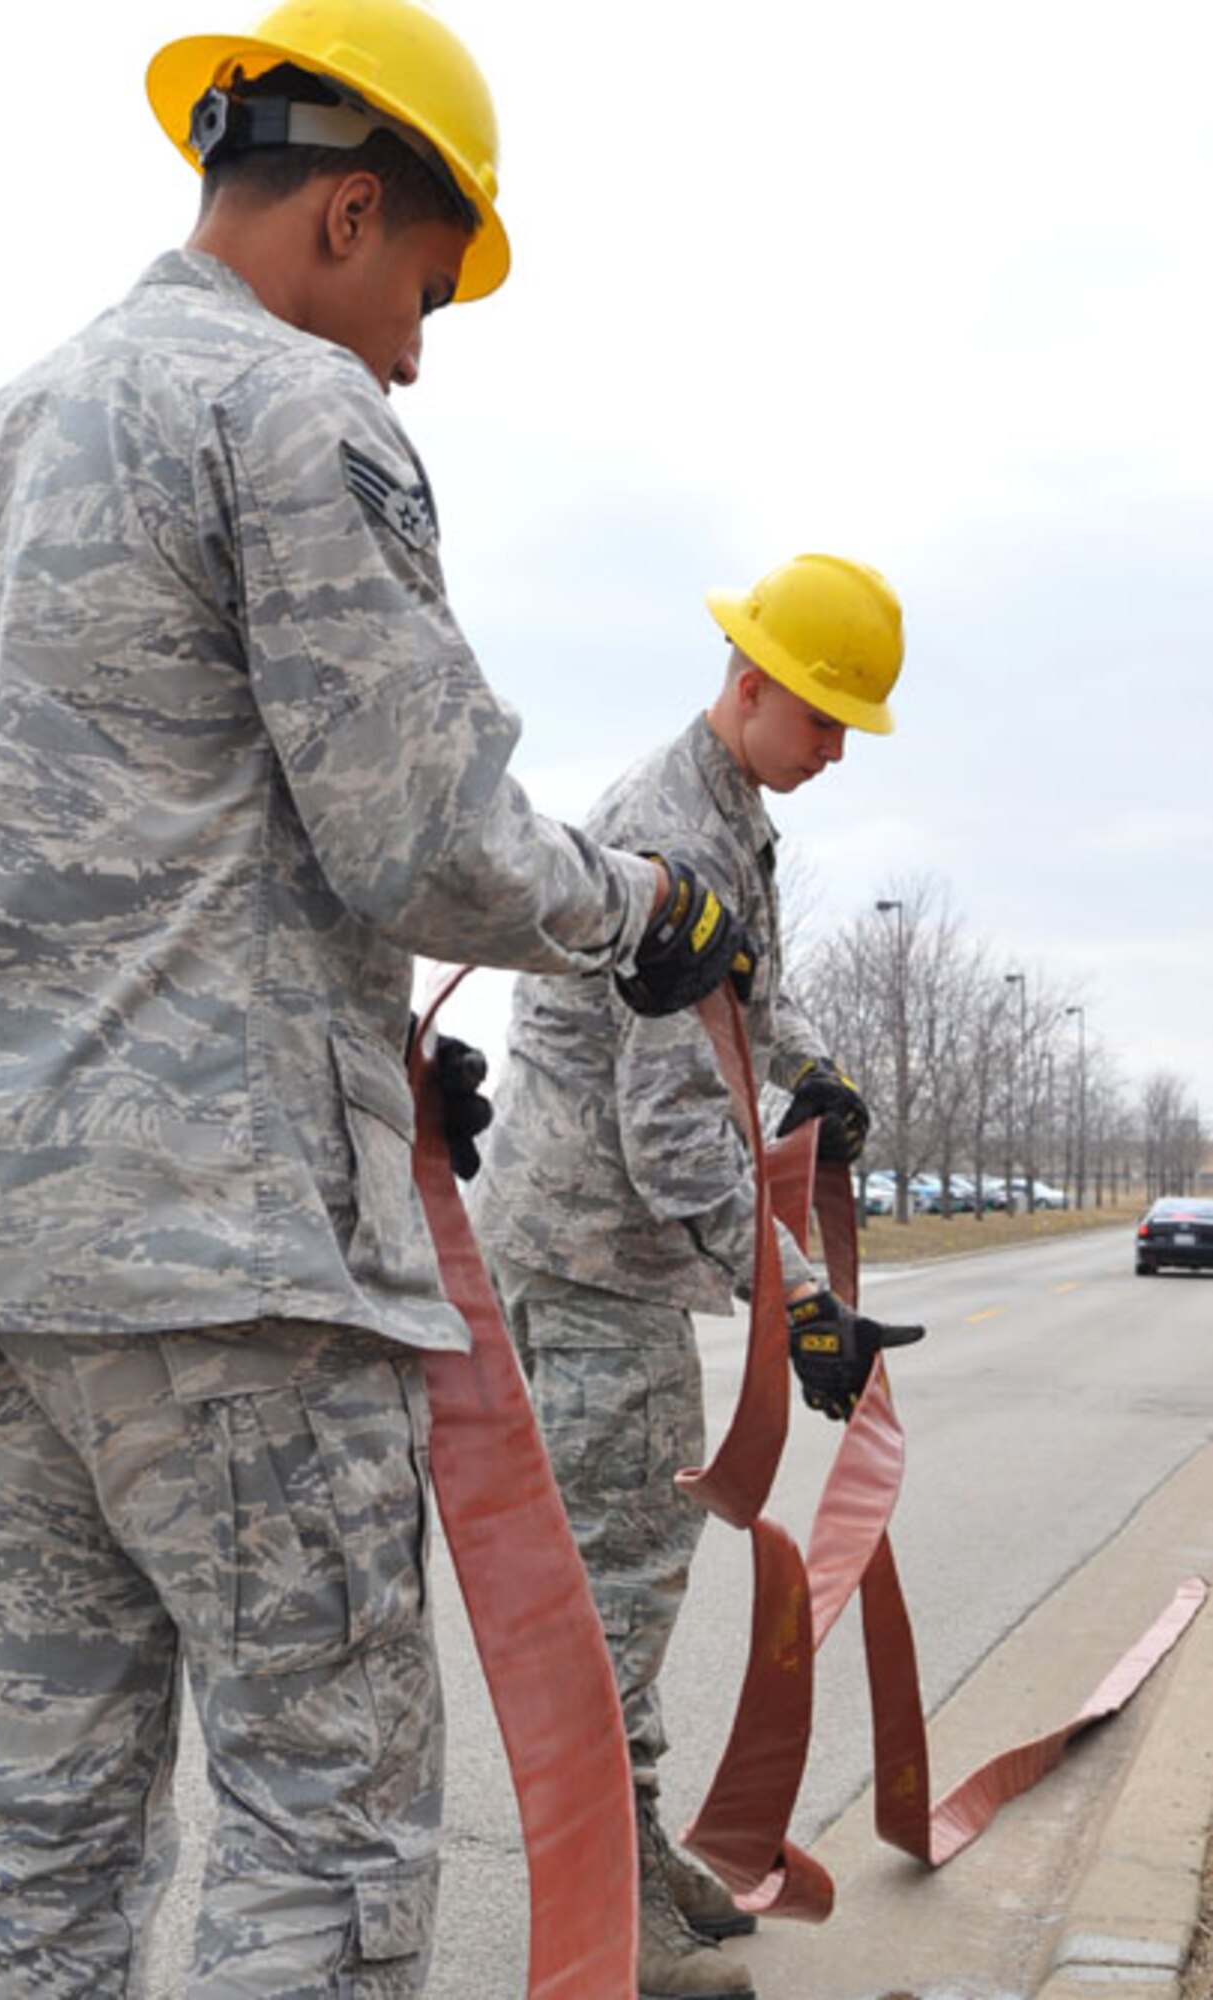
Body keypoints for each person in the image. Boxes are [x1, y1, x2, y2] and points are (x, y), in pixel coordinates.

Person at [0, 4, 758, 1995]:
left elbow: (109, 841)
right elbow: (433, 841)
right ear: (351, 209)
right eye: (426, 290)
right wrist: (637, 914)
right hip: (227, 1273)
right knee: (323, 1832)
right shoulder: (293, 411)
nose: (418, 350)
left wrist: (357, 1049)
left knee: (36, 1838)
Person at [471, 553, 927, 2000]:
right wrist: (795, 1298)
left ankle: (635, 1837)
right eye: (823, 717)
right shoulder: (680, 836)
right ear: (748, 687)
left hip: (596, 1247)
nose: (837, 748)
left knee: (628, 1573)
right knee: (620, 1583)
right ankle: (612, 1906)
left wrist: (810, 1076)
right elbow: (671, 1135)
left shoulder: (727, 810)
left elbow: (745, 1017)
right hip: (594, 1252)